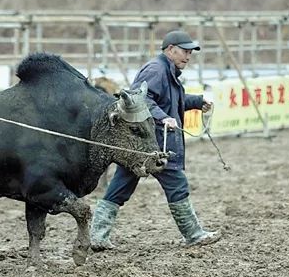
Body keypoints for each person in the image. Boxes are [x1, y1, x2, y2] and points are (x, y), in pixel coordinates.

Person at [90, 30, 221, 251]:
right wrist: (163, 117)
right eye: (184, 52)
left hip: (142, 144)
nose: (188, 57)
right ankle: (194, 234)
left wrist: (197, 101)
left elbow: (171, 101)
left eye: (190, 53)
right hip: (155, 144)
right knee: (177, 185)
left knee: (119, 187)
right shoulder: (156, 70)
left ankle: (97, 236)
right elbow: (140, 98)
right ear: (170, 50)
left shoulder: (165, 70)